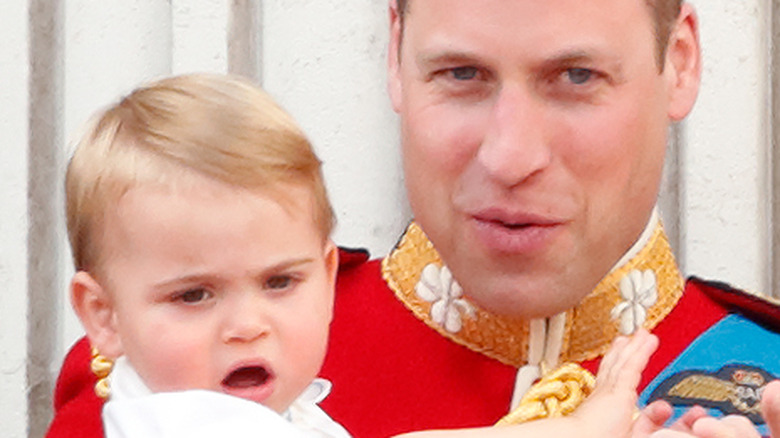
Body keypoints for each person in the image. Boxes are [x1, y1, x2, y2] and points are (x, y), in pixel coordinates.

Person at [47, 0, 780, 437]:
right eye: (462, 74)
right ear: (395, 55)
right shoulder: (172, 375)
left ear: (679, 62)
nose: (510, 155)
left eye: (576, 77)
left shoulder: (761, 368)